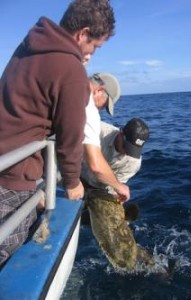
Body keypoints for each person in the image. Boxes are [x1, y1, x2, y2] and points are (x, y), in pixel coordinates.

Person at [0, 0, 115, 266]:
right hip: (14, 176)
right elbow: (69, 136)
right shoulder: (71, 69)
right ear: (83, 33)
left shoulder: (30, 46)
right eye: (94, 46)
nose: (90, 55)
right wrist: (73, 183)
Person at [82, 118, 152, 270]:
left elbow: (112, 188)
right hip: (70, 176)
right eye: (126, 146)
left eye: (133, 150)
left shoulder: (133, 163)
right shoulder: (97, 130)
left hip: (98, 190)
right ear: (120, 133)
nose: (126, 153)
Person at [84, 73, 130, 201]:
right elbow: (96, 165)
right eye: (104, 105)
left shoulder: (69, 87)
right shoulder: (89, 109)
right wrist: (119, 187)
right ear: (99, 90)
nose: (100, 109)